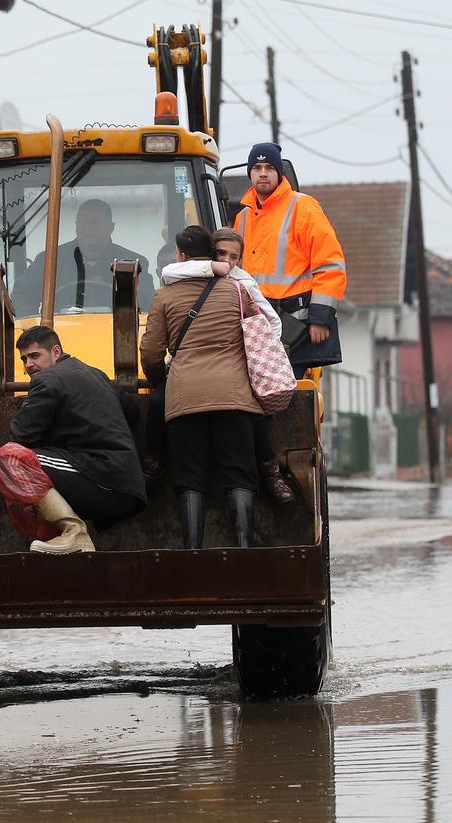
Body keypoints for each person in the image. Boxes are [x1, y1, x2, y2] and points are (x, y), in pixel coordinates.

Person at [145, 228, 294, 503]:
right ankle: (155, 458)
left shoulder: (241, 285)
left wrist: (256, 353)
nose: (227, 260)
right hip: (191, 368)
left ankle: (270, 470)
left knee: (253, 415)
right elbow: (172, 273)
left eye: (234, 256)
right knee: (156, 403)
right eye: (221, 254)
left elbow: (270, 323)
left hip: (231, 368)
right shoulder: (183, 282)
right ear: (209, 257)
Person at [141, 225, 264, 549]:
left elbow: (152, 353)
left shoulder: (165, 296)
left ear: (181, 255)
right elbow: (258, 335)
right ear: (212, 256)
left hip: (185, 397)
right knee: (239, 473)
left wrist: (162, 382)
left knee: (189, 475)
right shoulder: (237, 291)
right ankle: (244, 550)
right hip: (234, 397)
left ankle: (193, 551)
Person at [7, 325, 146, 554]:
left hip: (102, 477)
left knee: (13, 459)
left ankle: (74, 534)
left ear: (56, 352)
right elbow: (132, 412)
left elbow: (21, 436)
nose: (28, 365)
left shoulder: (47, 381)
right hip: (127, 483)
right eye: (24, 359)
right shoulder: (95, 373)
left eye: (35, 356)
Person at [233, 142, 347, 373]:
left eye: (269, 167)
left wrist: (320, 318)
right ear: (250, 174)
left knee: (288, 396)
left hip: (296, 325)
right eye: (256, 168)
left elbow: (330, 265)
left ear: (279, 173)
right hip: (258, 323)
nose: (263, 173)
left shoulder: (303, 207)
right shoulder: (243, 217)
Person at [21, 199, 153, 315]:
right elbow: (22, 294)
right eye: (84, 221)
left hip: (117, 335)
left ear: (111, 227)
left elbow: (146, 303)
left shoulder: (132, 264)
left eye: (96, 222)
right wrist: (36, 333)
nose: (89, 227)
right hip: (60, 335)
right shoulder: (49, 261)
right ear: (76, 225)